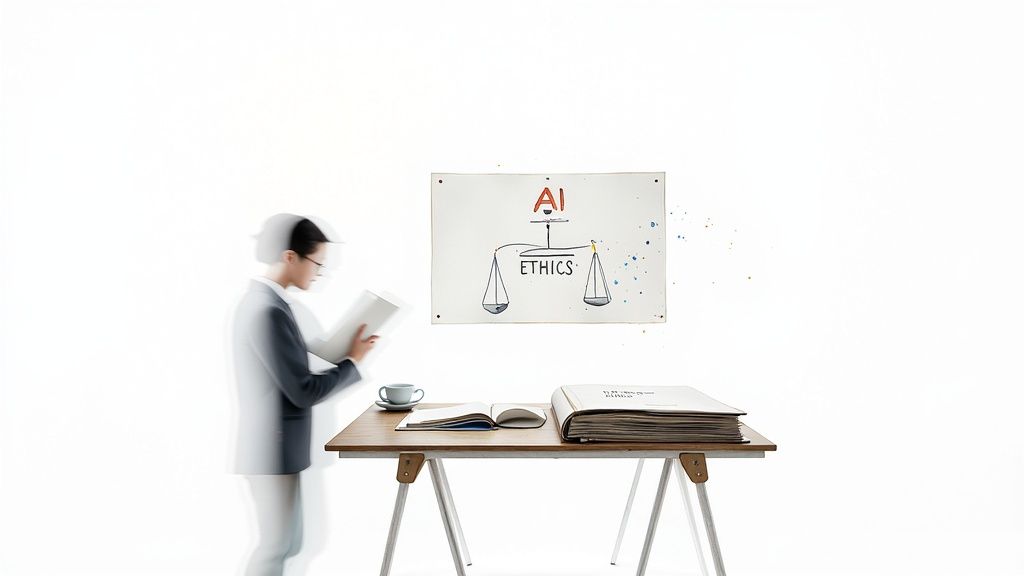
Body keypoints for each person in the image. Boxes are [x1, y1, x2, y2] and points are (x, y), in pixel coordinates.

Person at [233, 214, 379, 576]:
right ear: (290, 257)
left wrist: (344, 353)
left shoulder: (273, 306)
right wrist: (352, 363)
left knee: (288, 544)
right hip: (271, 449)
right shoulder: (267, 311)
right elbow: (302, 390)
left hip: (278, 448)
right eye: (317, 263)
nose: (319, 272)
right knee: (276, 547)